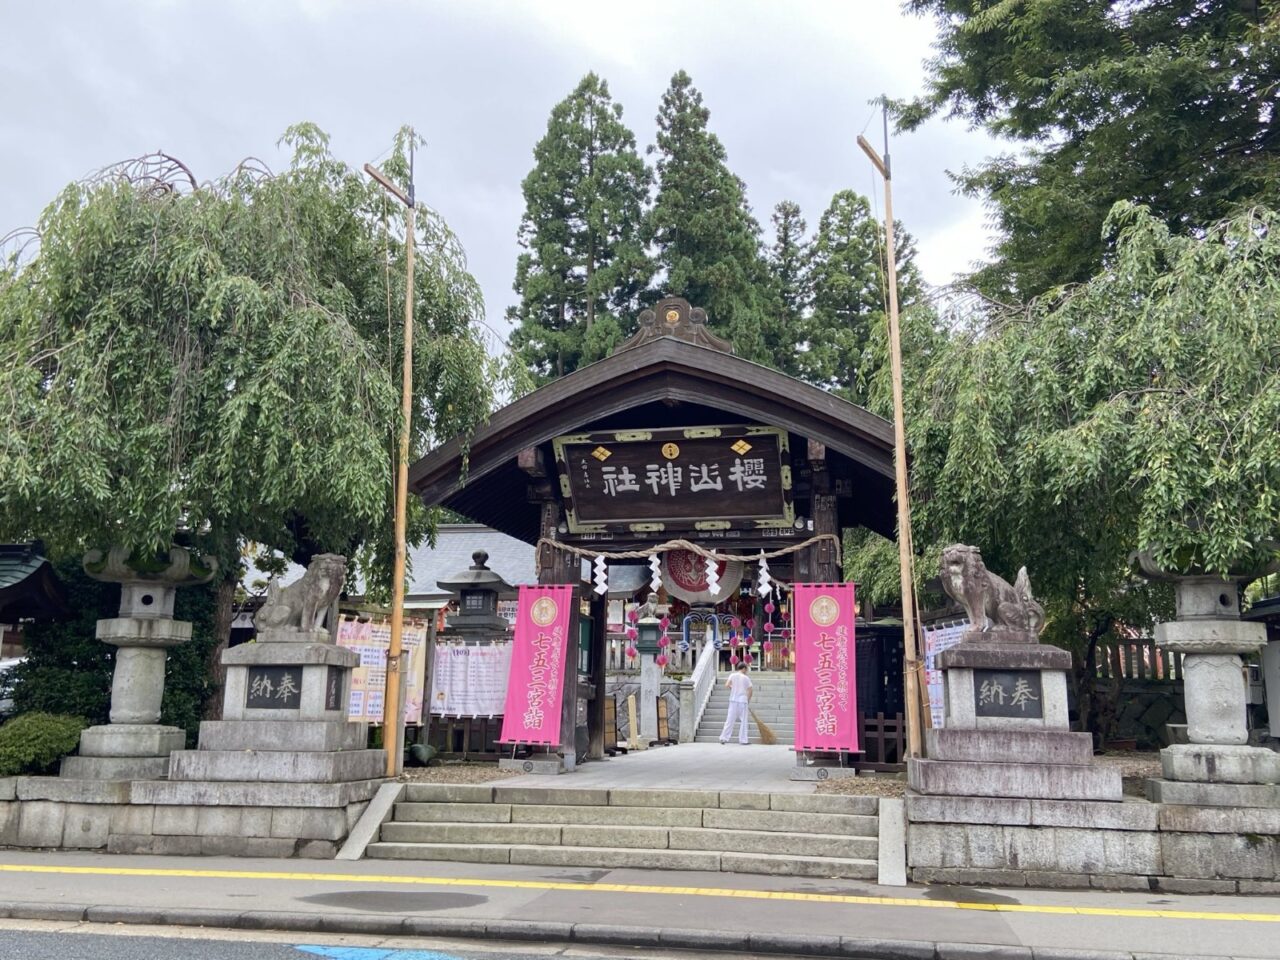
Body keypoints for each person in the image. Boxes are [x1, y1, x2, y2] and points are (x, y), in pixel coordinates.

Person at [719, 662, 753, 745]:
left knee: (729, 720)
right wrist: (748, 700)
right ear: (744, 668)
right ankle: (743, 740)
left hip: (733, 700)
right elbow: (750, 690)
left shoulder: (732, 675)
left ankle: (724, 738)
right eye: (746, 669)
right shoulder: (746, 678)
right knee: (743, 721)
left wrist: (733, 688)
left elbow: (727, 685)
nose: (746, 671)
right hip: (742, 700)